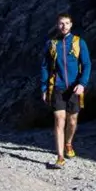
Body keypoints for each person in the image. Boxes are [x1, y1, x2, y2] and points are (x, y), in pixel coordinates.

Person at [40, 12, 91, 168]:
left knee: (72, 121)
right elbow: (44, 67)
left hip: (74, 88)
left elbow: (87, 64)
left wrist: (82, 83)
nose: (64, 26)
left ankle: (68, 143)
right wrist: (44, 88)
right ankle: (60, 157)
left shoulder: (78, 42)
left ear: (71, 24)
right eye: (61, 23)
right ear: (57, 25)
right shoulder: (51, 44)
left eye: (67, 23)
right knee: (59, 120)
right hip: (57, 88)